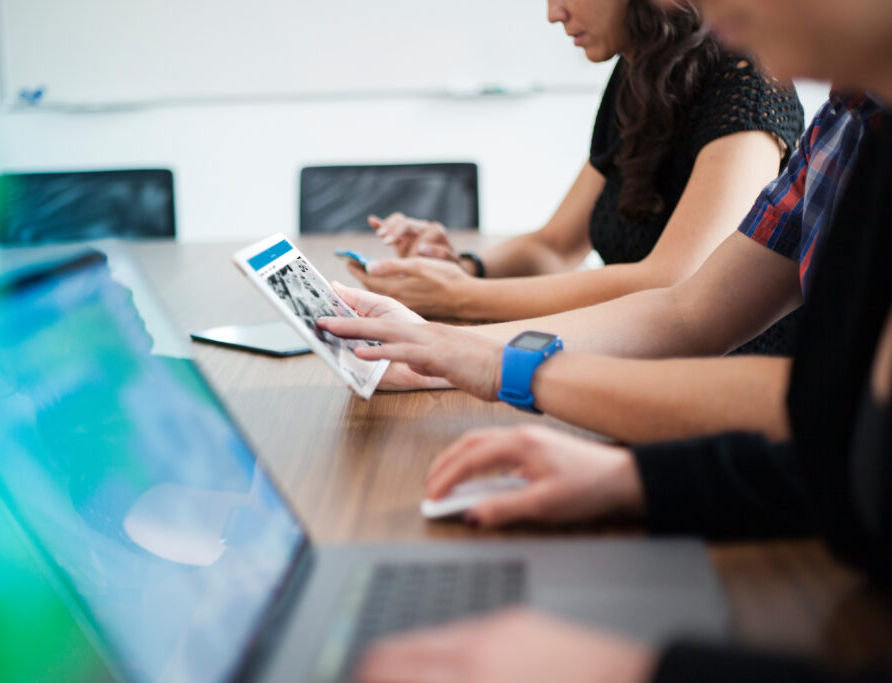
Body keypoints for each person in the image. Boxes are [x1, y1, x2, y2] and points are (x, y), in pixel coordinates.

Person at [353, 0, 892, 679]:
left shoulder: (755, 90)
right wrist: (625, 472)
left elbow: (816, 400)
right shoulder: (853, 120)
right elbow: (694, 316)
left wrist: (638, 668)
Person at [319, 90, 883, 443]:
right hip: (769, 456)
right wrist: (437, 349)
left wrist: (470, 317)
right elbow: (686, 312)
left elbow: (842, 402)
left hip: (734, 425)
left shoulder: (750, 95)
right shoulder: (840, 124)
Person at [349, 0, 803, 344]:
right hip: (636, 367)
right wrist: (460, 267)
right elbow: (555, 246)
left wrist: (459, 295)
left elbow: (673, 283)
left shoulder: (747, 83)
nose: (553, 13)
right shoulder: (639, 71)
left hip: (721, 399)